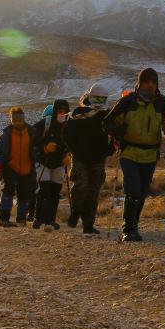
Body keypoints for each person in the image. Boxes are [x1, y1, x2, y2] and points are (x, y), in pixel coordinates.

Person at [104, 70, 165, 242]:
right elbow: (107, 123)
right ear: (139, 83)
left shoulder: (162, 104)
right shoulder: (127, 102)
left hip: (150, 154)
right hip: (129, 152)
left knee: (141, 192)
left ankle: (134, 225)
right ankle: (128, 229)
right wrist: (118, 131)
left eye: (153, 82)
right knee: (132, 190)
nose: (150, 85)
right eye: (147, 81)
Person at [64, 83, 115, 236]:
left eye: (102, 98)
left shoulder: (107, 115)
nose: (99, 101)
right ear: (90, 97)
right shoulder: (78, 113)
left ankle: (88, 225)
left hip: (97, 159)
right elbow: (67, 134)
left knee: (93, 192)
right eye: (97, 98)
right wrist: (74, 150)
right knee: (81, 186)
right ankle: (75, 213)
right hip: (80, 158)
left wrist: (109, 150)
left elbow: (114, 132)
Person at [0, 107, 36, 228]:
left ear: (23, 119)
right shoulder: (6, 135)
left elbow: (36, 150)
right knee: (8, 192)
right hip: (10, 167)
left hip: (27, 168)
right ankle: (4, 219)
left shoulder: (31, 133)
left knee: (24, 195)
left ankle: (21, 219)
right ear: (11, 120)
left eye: (19, 120)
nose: (17, 122)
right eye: (15, 120)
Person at [32, 99, 70, 230]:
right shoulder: (45, 124)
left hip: (59, 163)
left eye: (65, 112)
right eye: (60, 111)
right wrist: (44, 148)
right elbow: (33, 140)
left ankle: (50, 220)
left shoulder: (68, 126)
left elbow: (71, 143)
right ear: (55, 112)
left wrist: (68, 155)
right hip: (44, 161)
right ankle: (38, 218)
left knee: (55, 192)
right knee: (44, 189)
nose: (62, 114)